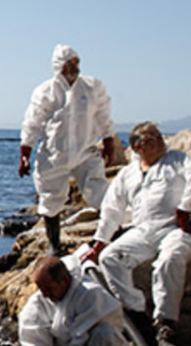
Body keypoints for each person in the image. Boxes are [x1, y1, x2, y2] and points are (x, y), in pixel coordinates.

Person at [81, 122, 191, 346]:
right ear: (138, 147)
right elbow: (112, 209)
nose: (160, 141)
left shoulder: (179, 160)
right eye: (152, 139)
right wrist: (100, 242)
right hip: (144, 230)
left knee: (168, 260)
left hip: (178, 228)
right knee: (110, 258)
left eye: (159, 136)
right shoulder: (128, 174)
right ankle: (136, 313)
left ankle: (166, 324)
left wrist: (186, 208)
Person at [20, 44, 119, 254]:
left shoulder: (92, 87)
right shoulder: (45, 91)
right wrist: (25, 154)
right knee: (50, 197)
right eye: (69, 64)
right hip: (55, 153)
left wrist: (109, 141)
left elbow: (103, 115)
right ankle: (54, 246)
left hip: (86, 151)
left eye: (76, 62)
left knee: (99, 191)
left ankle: (113, 234)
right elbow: (33, 123)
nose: (74, 67)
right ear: (59, 67)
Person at [18, 255, 129, 346]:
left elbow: (80, 338)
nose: (45, 294)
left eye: (49, 288)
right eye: (41, 289)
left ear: (64, 280)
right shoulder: (39, 303)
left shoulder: (89, 295)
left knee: (105, 336)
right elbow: (35, 345)